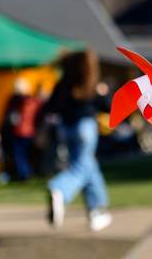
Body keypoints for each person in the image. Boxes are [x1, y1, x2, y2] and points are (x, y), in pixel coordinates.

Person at [43, 50, 112, 232]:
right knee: (82, 167)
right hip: (86, 128)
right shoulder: (90, 84)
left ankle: (95, 212)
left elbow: (51, 107)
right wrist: (103, 93)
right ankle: (59, 189)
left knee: (88, 165)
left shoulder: (63, 84)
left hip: (66, 129)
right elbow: (107, 106)